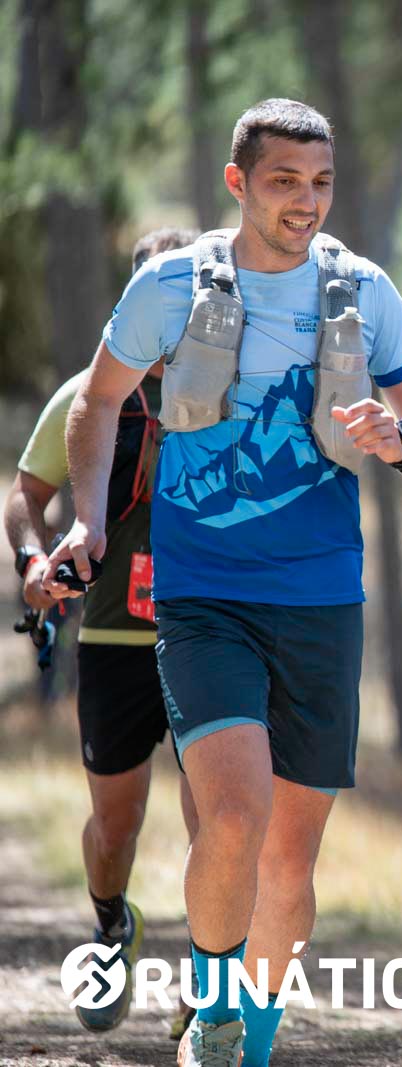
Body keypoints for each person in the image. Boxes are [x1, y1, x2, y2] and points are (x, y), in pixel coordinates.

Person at [46, 99, 402, 1067]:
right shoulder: (170, 285)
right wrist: (89, 521)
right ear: (238, 182)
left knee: (289, 861)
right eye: (284, 182)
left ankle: (252, 1038)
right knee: (233, 815)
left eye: (320, 183)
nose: (305, 202)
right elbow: (97, 402)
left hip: (322, 598)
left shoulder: (364, 290)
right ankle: (218, 1011)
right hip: (205, 596)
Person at [6, 226, 201, 1035]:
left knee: (219, 817)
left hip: (209, 633)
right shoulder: (89, 393)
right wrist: (31, 559)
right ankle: (113, 924)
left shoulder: (230, 387)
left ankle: (213, 975)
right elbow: (25, 494)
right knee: (115, 825)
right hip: (115, 636)